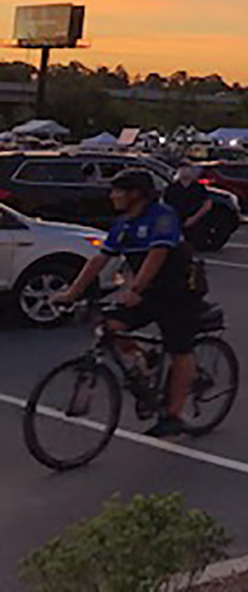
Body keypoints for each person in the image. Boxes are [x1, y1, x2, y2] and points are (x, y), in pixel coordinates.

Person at [55, 169, 203, 438]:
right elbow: (100, 259)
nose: (112, 196)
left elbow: (157, 255)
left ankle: (174, 414)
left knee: (180, 348)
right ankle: (144, 357)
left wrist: (135, 289)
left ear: (136, 194)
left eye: (118, 191)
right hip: (147, 290)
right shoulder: (123, 223)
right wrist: (72, 292)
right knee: (111, 325)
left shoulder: (162, 216)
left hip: (179, 290)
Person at [165, 164, 213, 249]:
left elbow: (207, 204)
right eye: (182, 169)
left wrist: (194, 217)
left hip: (194, 220)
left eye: (187, 169)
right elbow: (165, 203)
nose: (185, 171)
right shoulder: (172, 188)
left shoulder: (198, 187)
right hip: (176, 220)